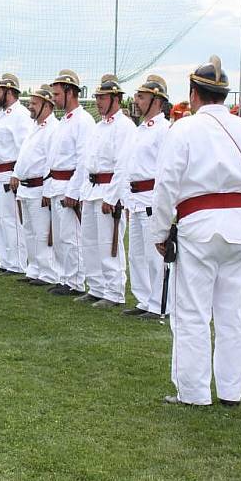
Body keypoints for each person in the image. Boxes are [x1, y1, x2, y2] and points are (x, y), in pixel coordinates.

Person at [152, 55, 241, 407]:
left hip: (199, 228)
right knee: (232, 313)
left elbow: (166, 186)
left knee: (192, 311)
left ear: (194, 94)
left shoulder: (183, 130)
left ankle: (193, 392)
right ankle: (230, 392)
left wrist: (159, 233)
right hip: (239, 227)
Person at [76, 75, 136, 309]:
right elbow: (87, 161)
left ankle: (114, 291)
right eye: (98, 97)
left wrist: (112, 197)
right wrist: (83, 192)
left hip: (109, 190)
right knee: (90, 242)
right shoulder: (98, 126)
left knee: (109, 243)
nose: (98, 102)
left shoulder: (125, 127)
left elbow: (123, 164)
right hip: (91, 189)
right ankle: (97, 286)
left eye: (102, 98)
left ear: (116, 99)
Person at [122, 75, 171, 320]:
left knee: (154, 256)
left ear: (156, 101)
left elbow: (165, 170)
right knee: (137, 255)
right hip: (136, 198)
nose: (137, 101)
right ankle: (144, 299)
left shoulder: (164, 130)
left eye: (142, 97)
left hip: (152, 198)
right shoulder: (140, 129)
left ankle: (160, 305)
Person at [43, 69, 95, 297]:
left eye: (57, 94)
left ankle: (75, 280)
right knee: (61, 236)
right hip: (56, 183)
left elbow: (83, 159)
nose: (54, 98)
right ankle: (65, 276)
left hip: (69, 184)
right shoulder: (65, 121)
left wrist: (74, 190)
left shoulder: (83, 121)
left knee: (71, 236)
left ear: (70, 92)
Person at [12, 85, 59, 286]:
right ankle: (34, 269)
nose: (30, 107)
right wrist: (16, 173)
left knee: (42, 233)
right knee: (29, 231)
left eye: (34, 103)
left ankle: (47, 272)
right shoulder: (35, 127)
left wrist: (48, 190)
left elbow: (50, 161)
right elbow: (25, 156)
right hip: (25, 187)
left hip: (40, 187)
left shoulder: (52, 129)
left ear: (47, 106)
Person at [0, 73, 33, 275]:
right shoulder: (3, 115)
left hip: (9, 172)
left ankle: (17, 263)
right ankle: (6, 260)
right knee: (0, 218)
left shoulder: (20, 115)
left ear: (10, 92)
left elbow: (24, 147)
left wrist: (17, 173)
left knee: (12, 220)